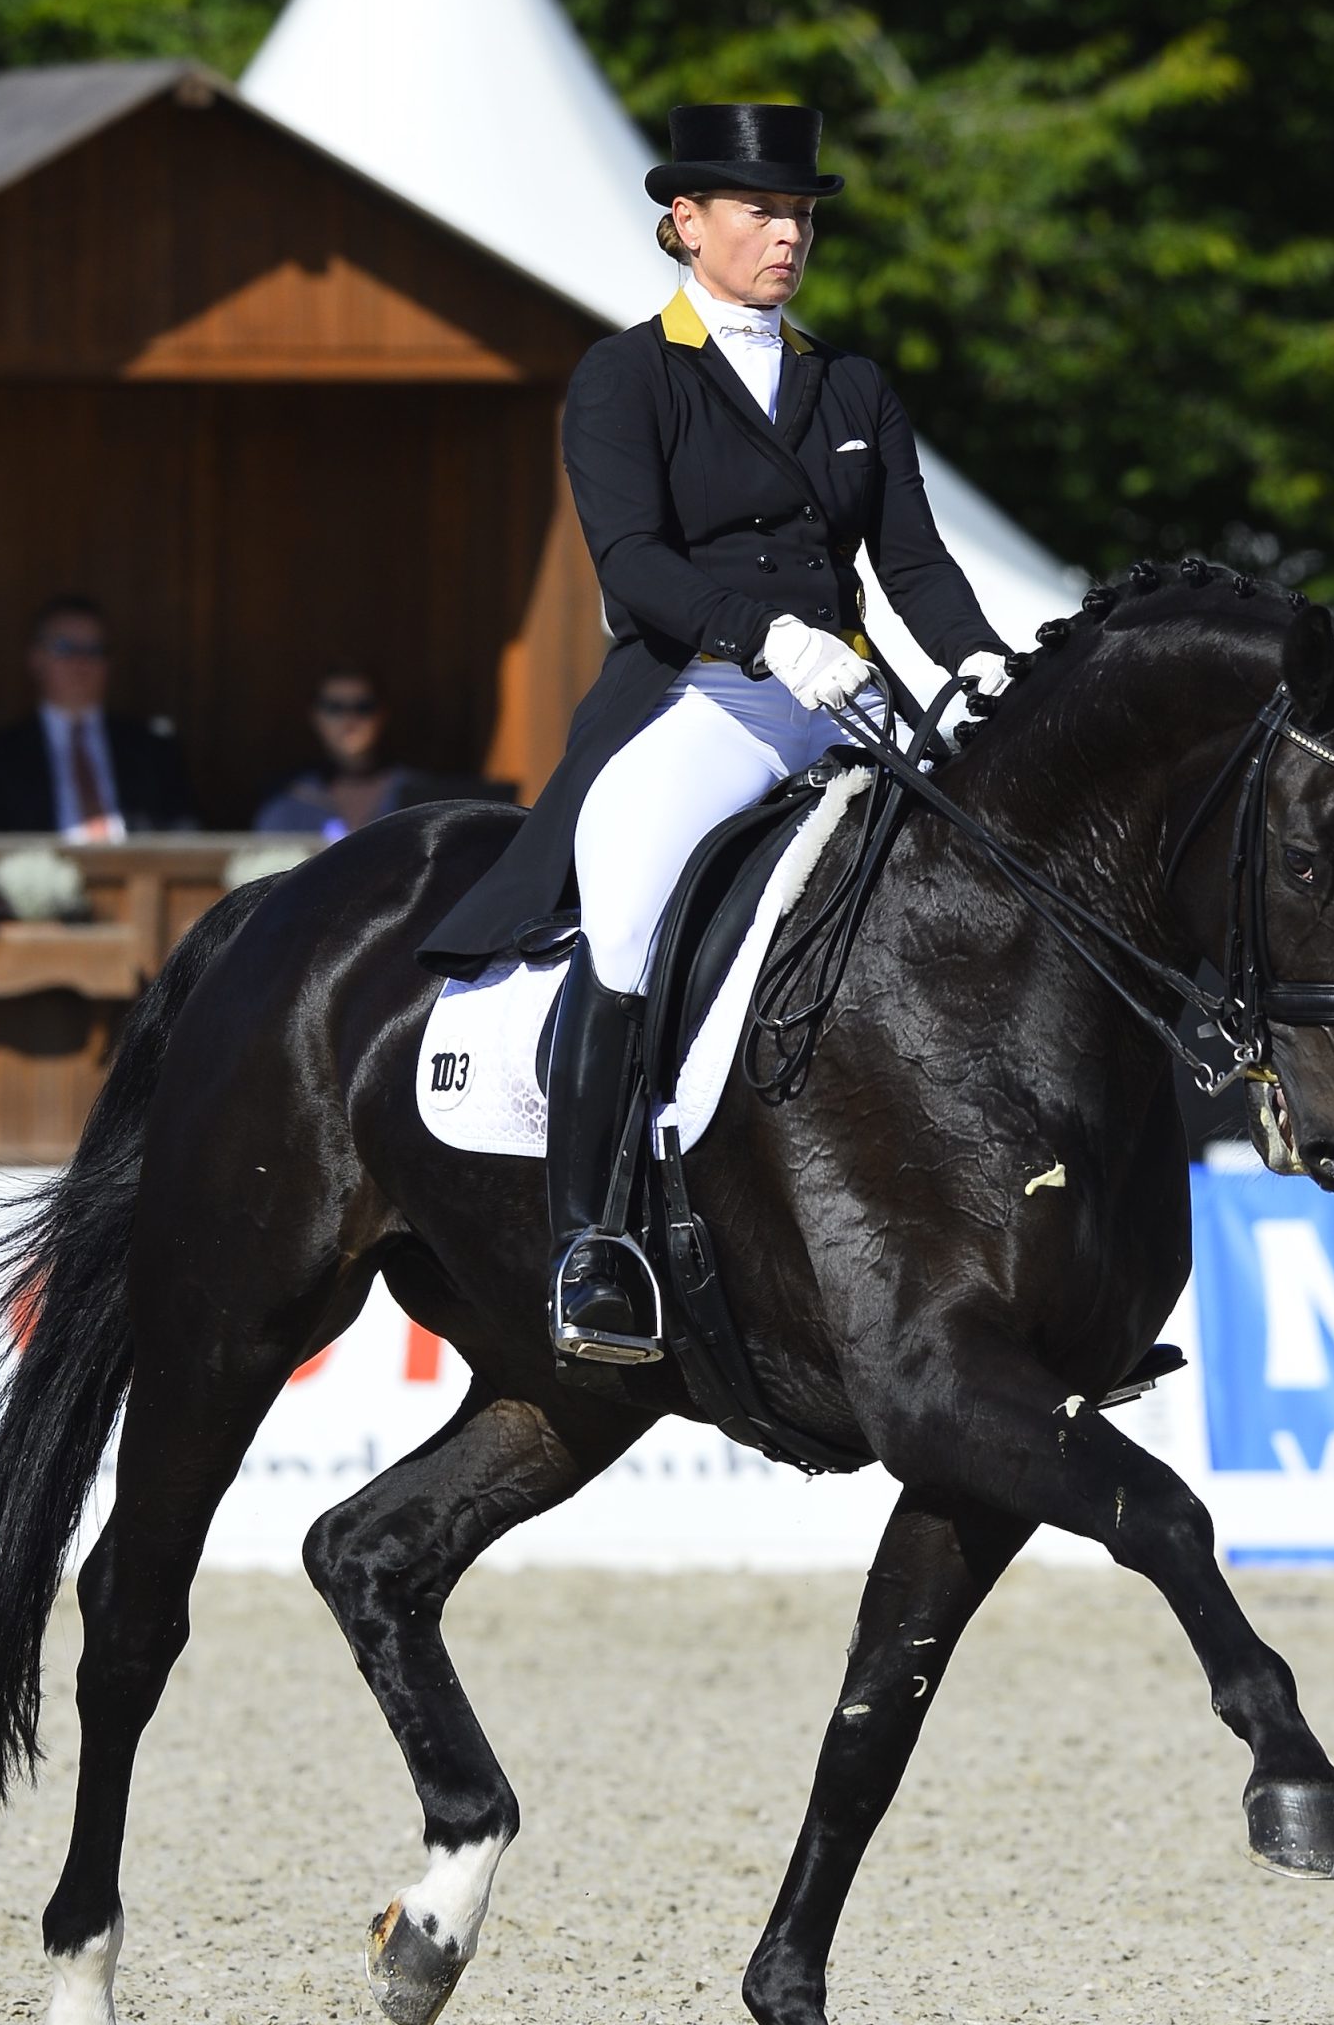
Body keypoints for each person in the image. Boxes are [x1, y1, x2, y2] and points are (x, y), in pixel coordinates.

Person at [419, 102, 1013, 1368]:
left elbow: (911, 557)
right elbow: (631, 565)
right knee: (628, 899)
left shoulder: (849, 382)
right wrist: (762, 634)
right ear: (685, 223)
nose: (787, 235)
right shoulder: (625, 375)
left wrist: (979, 663)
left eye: (800, 214)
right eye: (761, 211)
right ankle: (589, 1245)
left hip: (846, 696)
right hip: (709, 693)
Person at [0, 595, 196, 837]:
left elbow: (186, 833)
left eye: (94, 650)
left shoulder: (154, 748)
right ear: (36, 659)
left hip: (140, 872)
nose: (80, 662)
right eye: (65, 648)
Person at [255, 670, 401, 839]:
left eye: (363, 707)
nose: (349, 719)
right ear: (315, 716)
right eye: (334, 708)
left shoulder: (418, 792)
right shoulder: (287, 797)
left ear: (382, 714)